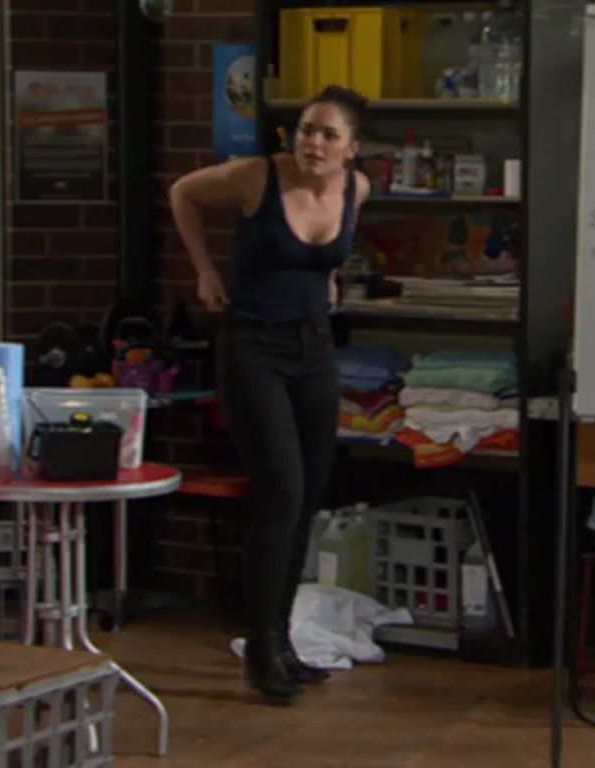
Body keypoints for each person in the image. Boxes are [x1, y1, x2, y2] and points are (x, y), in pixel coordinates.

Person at [168, 85, 371, 703]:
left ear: (351, 149)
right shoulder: (257, 176)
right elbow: (182, 193)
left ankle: (283, 640)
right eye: (306, 130)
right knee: (279, 493)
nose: (313, 143)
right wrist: (205, 269)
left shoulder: (357, 190)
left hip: (314, 349)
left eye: (329, 135)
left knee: (307, 497)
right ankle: (259, 646)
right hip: (253, 347)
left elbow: (326, 253)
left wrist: (328, 276)